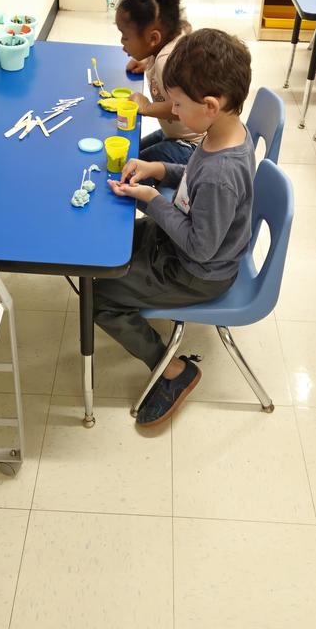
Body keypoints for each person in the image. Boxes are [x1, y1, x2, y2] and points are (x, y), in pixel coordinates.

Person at [93, 28, 255, 427]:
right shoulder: (223, 133)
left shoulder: (222, 173)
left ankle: (173, 370)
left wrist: (153, 200)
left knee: (97, 295)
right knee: (103, 252)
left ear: (211, 105)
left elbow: (200, 247)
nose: (174, 112)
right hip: (181, 240)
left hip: (197, 270)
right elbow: (193, 178)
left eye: (178, 104)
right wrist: (158, 169)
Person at [115, 0, 202, 165]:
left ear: (153, 38)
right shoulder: (172, 39)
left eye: (125, 36)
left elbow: (183, 106)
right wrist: (147, 60)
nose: (122, 42)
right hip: (176, 137)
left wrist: (147, 107)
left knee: (131, 166)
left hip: (192, 149)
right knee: (133, 152)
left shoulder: (166, 61)